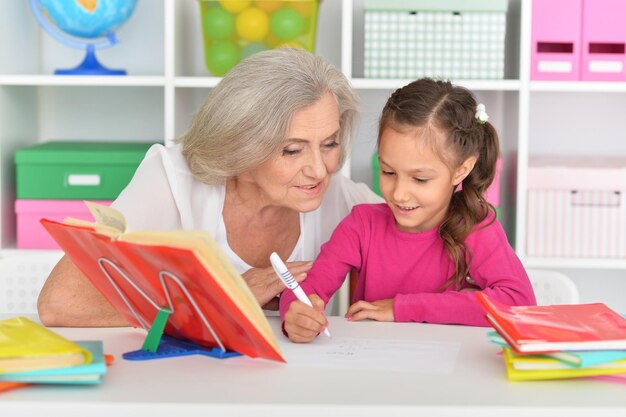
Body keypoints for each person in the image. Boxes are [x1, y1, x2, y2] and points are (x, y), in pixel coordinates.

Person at [37, 48, 382, 327]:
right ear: (241, 147)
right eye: (292, 150)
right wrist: (219, 298)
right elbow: (61, 303)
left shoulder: (340, 197)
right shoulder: (170, 179)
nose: (320, 169)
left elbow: (428, 231)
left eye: (330, 144)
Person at [280, 78, 536, 343]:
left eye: (420, 179)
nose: (399, 193)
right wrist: (295, 312)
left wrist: (403, 308)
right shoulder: (362, 224)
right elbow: (307, 287)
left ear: (461, 170)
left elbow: (518, 301)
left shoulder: (475, 226)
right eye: (388, 172)